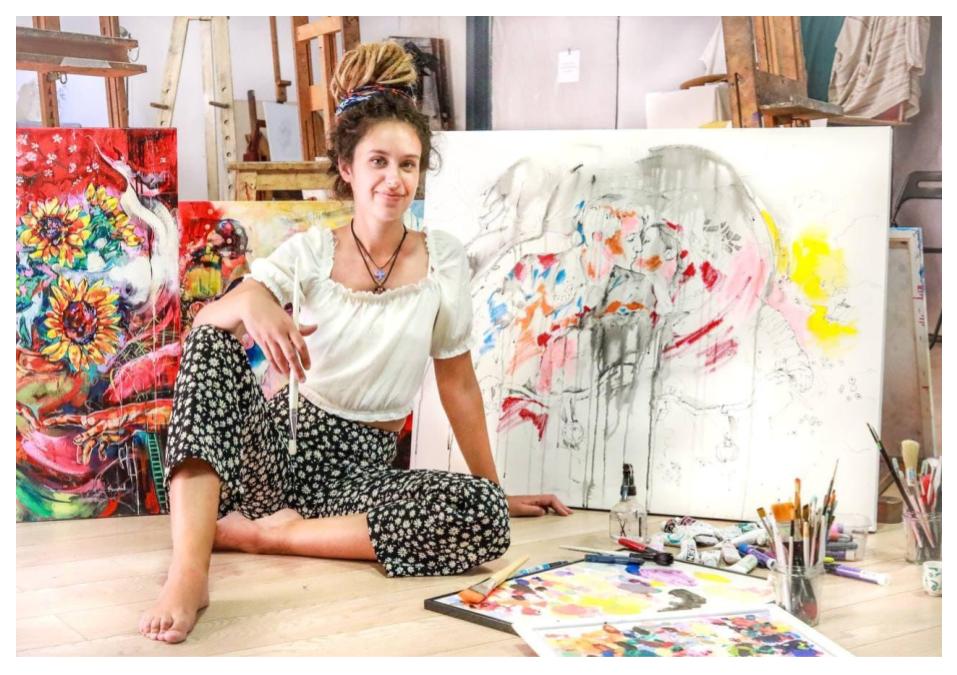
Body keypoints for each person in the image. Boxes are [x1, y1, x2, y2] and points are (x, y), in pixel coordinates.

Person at [138, 41, 572, 645]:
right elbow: (215, 317)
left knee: (484, 518)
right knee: (211, 340)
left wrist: (494, 490)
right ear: (347, 168)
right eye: (379, 162)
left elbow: (457, 382)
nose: (395, 180)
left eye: (408, 164)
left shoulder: (442, 259)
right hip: (276, 457)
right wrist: (255, 301)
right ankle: (189, 574)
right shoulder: (312, 251)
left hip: (362, 473)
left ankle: (268, 535)